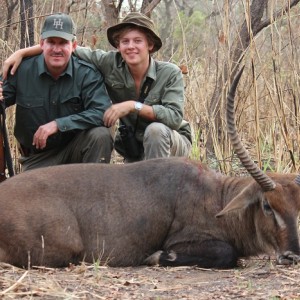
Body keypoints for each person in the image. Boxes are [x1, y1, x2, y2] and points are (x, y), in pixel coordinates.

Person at [2, 12, 192, 162]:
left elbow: (174, 118)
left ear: (150, 45)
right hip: (134, 147)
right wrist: (23, 52)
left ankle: (158, 199)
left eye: (138, 41)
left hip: (170, 142)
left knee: (155, 131)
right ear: (118, 45)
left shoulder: (170, 72)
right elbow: (66, 49)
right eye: (125, 41)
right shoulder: (108, 63)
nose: (131, 47)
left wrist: (133, 106)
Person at [0, 13, 113, 171]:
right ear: (41, 44)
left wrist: (59, 125)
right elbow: (2, 100)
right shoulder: (20, 70)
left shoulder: (87, 73)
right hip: (38, 157)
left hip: (75, 151)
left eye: (63, 43)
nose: (56, 49)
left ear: (73, 46)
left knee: (101, 135)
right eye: (51, 42)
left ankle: (91, 192)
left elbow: (103, 112)